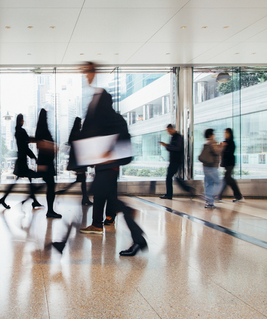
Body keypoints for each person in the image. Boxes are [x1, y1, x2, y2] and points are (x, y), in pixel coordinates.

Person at [79, 62, 147, 257]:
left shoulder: (114, 121)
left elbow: (125, 149)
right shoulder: (110, 120)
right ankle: (137, 237)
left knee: (113, 202)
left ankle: (133, 227)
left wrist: (109, 158)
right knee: (108, 199)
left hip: (109, 169)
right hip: (106, 169)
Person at [0, 114, 41, 209]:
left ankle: (34, 200)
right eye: (23, 120)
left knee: (26, 180)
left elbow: (25, 144)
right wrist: (34, 157)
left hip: (21, 159)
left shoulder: (17, 131)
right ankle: (3, 199)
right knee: (30, 178)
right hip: (22, 161)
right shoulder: (22, 131)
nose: (23, 121)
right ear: (20, 120)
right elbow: (26, 147)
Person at [56, 117, 93, 206]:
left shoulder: (74, 133)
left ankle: (84, 198)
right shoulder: (77, 133)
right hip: (80, 161)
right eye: (80, 123)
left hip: (77, 161)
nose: (80, 124)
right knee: (81, 180)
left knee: (80, 180)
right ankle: (84, 198)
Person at [35, 108, 61, 219]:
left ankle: (32, 198)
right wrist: (52, 146)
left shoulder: (40, 129)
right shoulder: (43, 130)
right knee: (51, 186)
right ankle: (50, 210)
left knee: (49, 185)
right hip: (46, 162)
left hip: (44, 161)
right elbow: (41, 144)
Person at [159, 124, 195, 199]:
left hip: (176, 160)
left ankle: (170, 194)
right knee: (174, 177)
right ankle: (187, 189)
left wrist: (167, 145)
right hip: (174, 160)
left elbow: (178, 148)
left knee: (169, 176)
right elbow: (172, 148)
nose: (168, 132)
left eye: (169, 130)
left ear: (172, 128)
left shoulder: (178, 137)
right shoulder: (173, 137)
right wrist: (166, 146)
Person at [198, 128, 222, 209]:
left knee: (209, 184)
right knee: (219, 183)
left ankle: (209, 203)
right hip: (212, 167)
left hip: (205, 166)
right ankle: (207, 196)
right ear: (211, 135)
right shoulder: (212, 142)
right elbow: (217, 152)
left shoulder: (206, 143)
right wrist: (221, 146)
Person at [218, 128, 243, 202]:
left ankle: (220, 195)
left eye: (226, 132)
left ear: (230, 133)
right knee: (227, 179)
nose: (225, 134)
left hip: (230, 163)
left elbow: (229, 153)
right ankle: (237, 196)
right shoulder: (225, 142)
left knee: (228, 178)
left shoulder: (231, 142)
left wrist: (224, 148)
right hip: (227, 163)